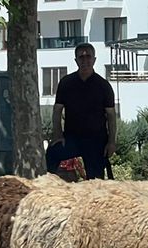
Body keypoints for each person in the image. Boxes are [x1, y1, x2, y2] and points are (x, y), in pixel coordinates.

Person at [46, 42, 117, 180]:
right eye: (81, 57)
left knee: (96, 182)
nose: (85, 60)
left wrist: (112, 142)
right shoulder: (66, 83)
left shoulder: (103, 86)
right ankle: (48, 191)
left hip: (96, 140)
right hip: (71, 138)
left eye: (88, 57)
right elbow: (57, 110)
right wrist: (58, 134)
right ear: (76, 60)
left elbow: (111, 116)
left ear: (94, 59)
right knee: (52, 153)